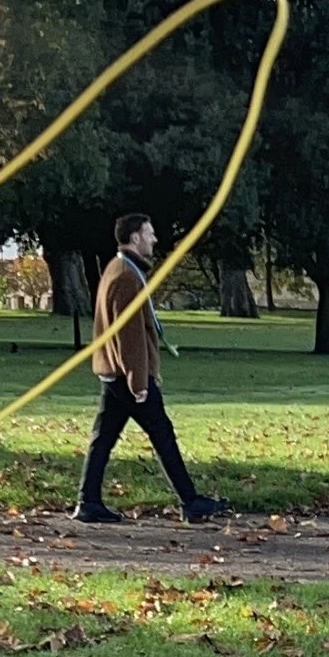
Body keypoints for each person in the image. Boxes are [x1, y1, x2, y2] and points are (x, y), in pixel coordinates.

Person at [72, 210, 226, 524]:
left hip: (114, 373)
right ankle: (191, 502)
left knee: (104, 438)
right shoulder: (126, 276)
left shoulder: (119, 269)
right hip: (126, 377)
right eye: (149, 232)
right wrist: (138, 381)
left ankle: (88, 502)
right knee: (162, 435)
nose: (155, 238)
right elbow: (130, 336)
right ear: (135, 237)